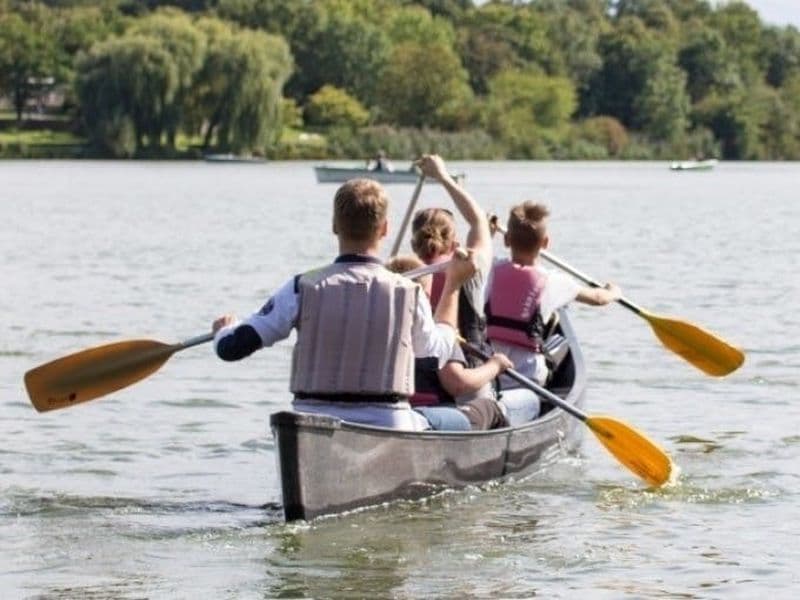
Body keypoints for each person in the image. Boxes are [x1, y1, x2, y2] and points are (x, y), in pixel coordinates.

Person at [211, 178, 477, 432]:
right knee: (464, 418)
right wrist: (452, 286)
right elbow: (436, 354)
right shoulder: (409, 292)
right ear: (384, 228)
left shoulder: (299, 287)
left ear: (335, 226)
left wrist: (225, 330)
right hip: (387, 423)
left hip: (312, 422)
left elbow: (230, 349)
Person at [485, 201, 622, 394]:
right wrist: (614, 292)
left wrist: (488, 233)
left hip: (489, 375)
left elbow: (480, 253)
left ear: (506, 240)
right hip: (530, 379)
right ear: (545, 243)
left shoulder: (491, 270)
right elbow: (598, 298)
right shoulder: (553, 281)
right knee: (560, 341)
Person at [386, 254, 519, 431]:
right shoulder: (437, 332)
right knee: (493, 407)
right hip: (437, 418)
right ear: (425, 295)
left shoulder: (375, 329)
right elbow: (457, 384)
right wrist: (495, 365)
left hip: (392, 413)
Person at [411, 154, 494, 365]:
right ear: (455, 242)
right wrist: (443, 176)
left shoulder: (403, 274)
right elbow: (478, 220)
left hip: (418, 374)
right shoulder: (470, 268)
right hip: (467, 370)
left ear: (414, 244)